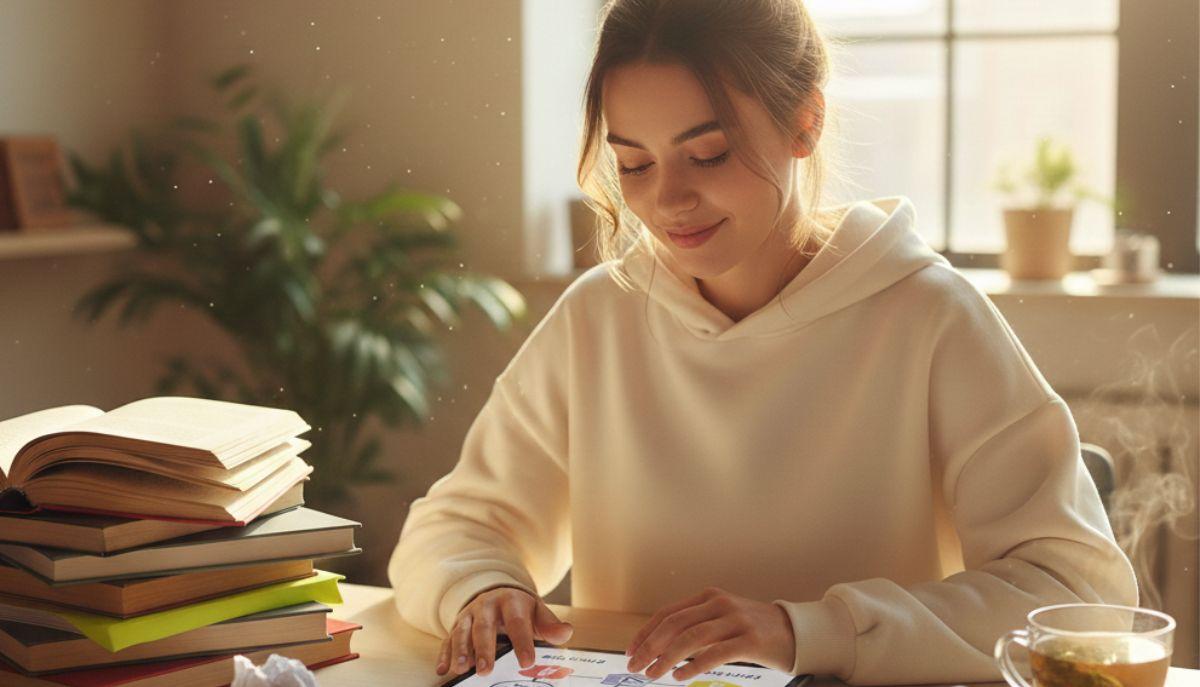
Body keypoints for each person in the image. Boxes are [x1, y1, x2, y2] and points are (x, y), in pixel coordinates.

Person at [388, 0, 1138, 684]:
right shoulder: (599, 318)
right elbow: (450, 529)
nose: (665, 201)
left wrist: (806, 628)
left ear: (804, 124)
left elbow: (1079, 597)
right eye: (634, 164)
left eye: (707, 153)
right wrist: (481, 586)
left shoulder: (931, 316)